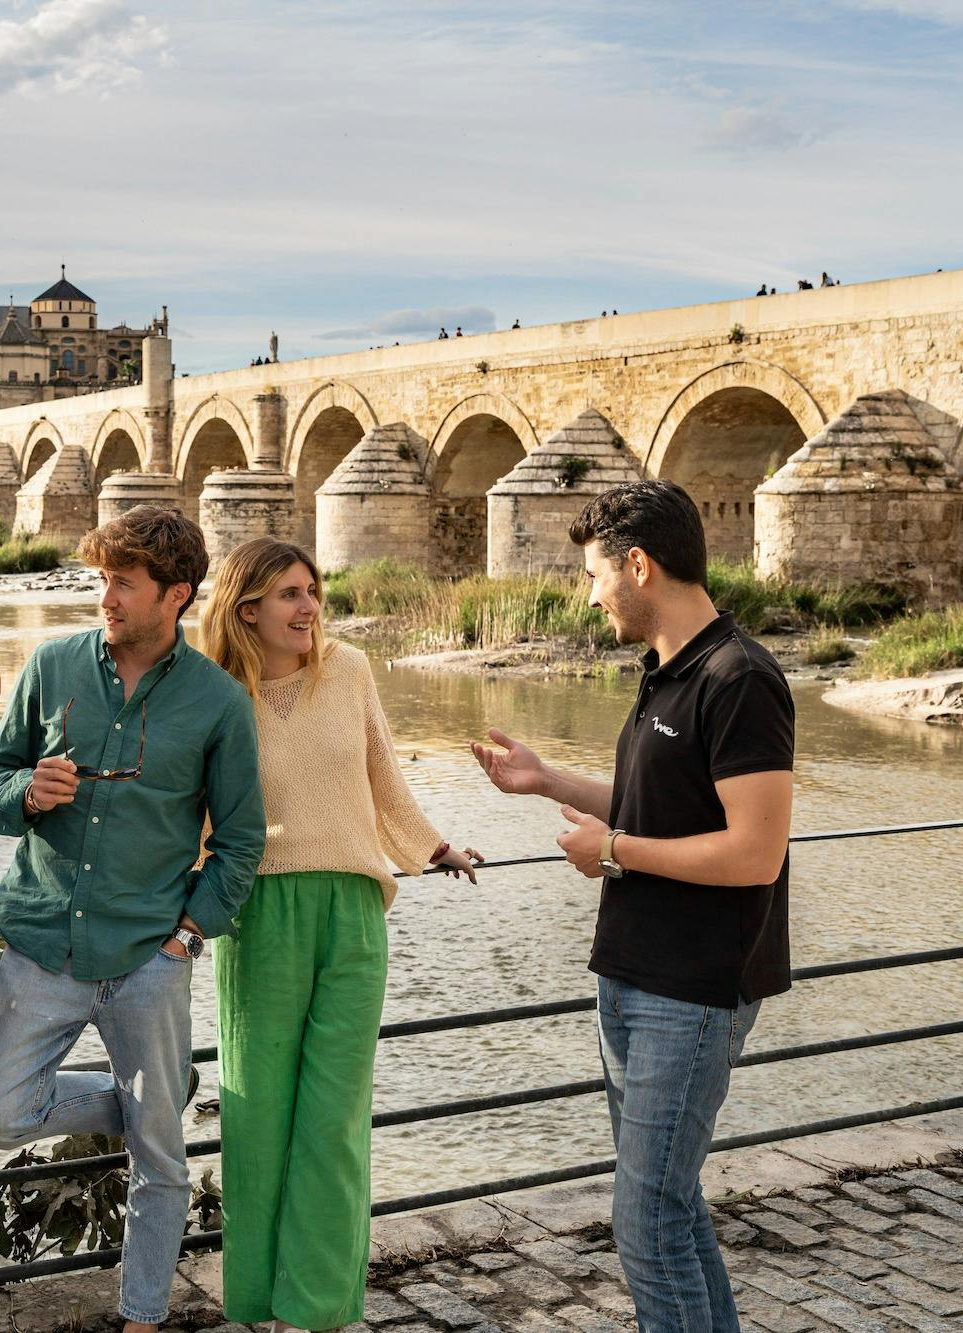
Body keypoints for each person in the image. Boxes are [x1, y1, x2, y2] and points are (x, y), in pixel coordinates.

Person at [472, 480, 794, 1333]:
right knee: (672, 1204)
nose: (588, 593)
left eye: (593, 574)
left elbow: (755, 850)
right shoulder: (666, 671)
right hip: (633, 974)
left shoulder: (740, 678)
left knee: (645, 1222)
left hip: (692, 988)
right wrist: (546, 782)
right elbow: (658, 804)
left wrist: (613, 852)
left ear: (639, 565)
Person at [0, 506, 266, 1333]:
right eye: (102, 579)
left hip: (148, 958)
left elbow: (239, 844)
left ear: (176, 594)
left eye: (123, 583)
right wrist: (24, 792)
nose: (106, 596)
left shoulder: (217, 704)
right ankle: (142, 1101)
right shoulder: (52, 663)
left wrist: (187, 937)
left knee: (161, 1159)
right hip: (41, 945)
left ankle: (141, 1317)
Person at [202, 538, 482, 1333]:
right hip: (255, 916)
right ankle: (258, 1299)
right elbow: (191, 812)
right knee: (258, 1117)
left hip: (354, 913)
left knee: (333, 1118)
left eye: (313, 591)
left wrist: (435, 848)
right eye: (289, 594)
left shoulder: (351, 669)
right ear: (247, 607)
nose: (308, 607)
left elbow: (383, 777)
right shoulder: (216, 692)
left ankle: (313, 1309)